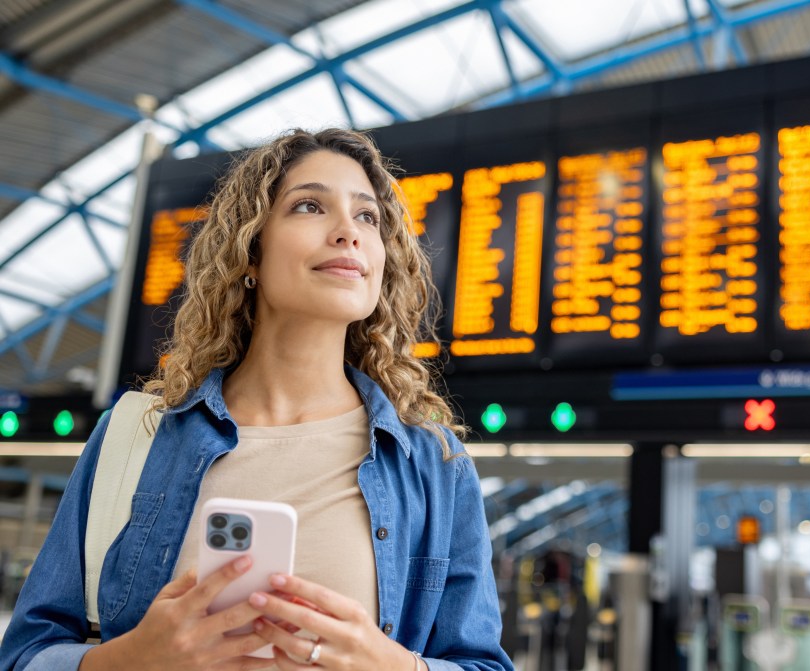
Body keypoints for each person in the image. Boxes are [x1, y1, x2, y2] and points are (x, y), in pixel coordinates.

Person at [0, 128, 513, 671]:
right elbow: (25, 655)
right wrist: (129, 660)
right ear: (251, 252)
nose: (349, 232)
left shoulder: (433, 464)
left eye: (369, 217)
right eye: (310, 205)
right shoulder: (135, 438)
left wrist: (393, 665)